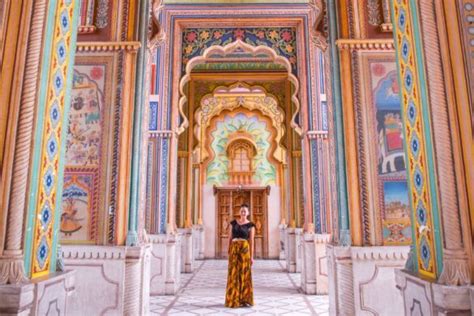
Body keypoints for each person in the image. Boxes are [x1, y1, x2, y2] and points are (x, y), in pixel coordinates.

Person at [224, 203, 255, 308]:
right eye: (241, 211)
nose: (243, 213)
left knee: (244, 273)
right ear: (239, 212)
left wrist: (251, 256)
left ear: (248, 213)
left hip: (245, 251)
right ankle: (233, 298)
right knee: (233, 273)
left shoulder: (250, 225)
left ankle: (244, 299)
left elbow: (251, 241)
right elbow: (229, 237)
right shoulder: (233, 223)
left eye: (245, 211)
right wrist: (228, 250)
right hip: (234, 250)